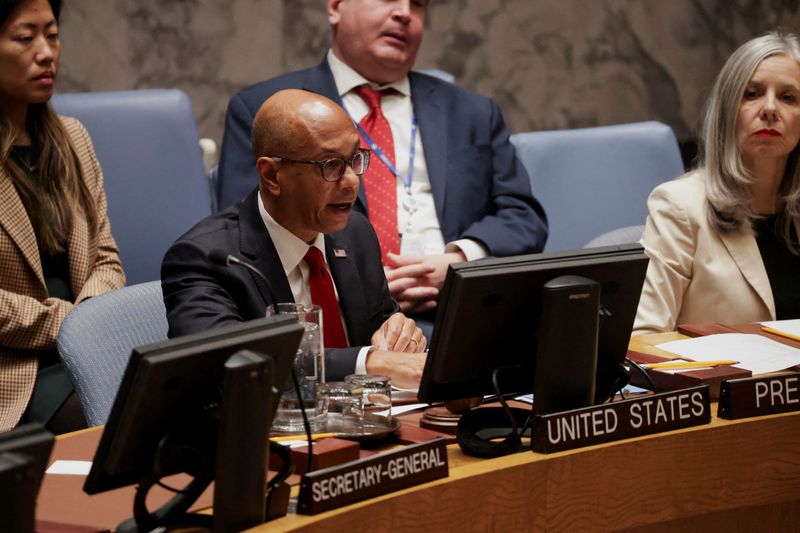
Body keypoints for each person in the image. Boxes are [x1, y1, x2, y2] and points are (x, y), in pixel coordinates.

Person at [216, 0, 547, 321]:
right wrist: (359, 284)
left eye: (418, 4)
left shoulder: (473, 112)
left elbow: (522, 216)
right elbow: (247, 235)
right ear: (335, 6)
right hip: (341, 321)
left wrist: (460, 260)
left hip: (464, 311)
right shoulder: (267, 109)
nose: (404, 13)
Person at [162, 89, 427, 389]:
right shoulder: (205, 258)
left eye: (355, 159)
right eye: (330, 165)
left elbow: (384, 326)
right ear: (272, 175)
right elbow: (227, 364)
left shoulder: (355, 233)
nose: (352, 181)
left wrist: (401, 334)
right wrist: (368, 361)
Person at [0, 0, 125, 432]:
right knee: (117, 429)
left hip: (89, 352)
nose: (45, 52)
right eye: (24, 37)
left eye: (52, 35)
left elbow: (106, 258)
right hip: (13, 367)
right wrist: (77, 326)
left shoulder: (73, 138)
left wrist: (88, 329)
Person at [634, 31, 800, 334]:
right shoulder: (678, 207)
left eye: (788, 97)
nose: (770, 108)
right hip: (720, 381)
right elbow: (643, 341)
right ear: (727, 111)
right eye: (752, 94)